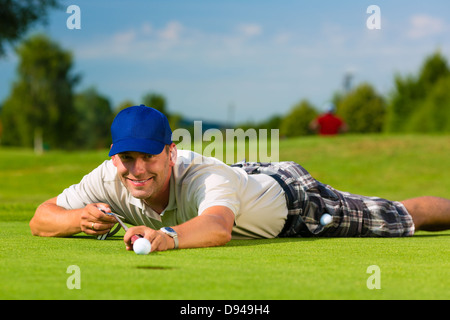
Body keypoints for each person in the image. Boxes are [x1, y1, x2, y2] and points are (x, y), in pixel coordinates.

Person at [30, 105, 450, 252]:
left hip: (295, 202)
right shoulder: (111, 173)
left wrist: (168, 237)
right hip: (243, 179)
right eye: (126, 157)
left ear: (170, 152)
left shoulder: (200, 174)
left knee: (401, 217)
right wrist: (76, 220)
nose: (136, 169)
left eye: (148, 157)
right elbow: (40, 218)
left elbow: (216, 227)